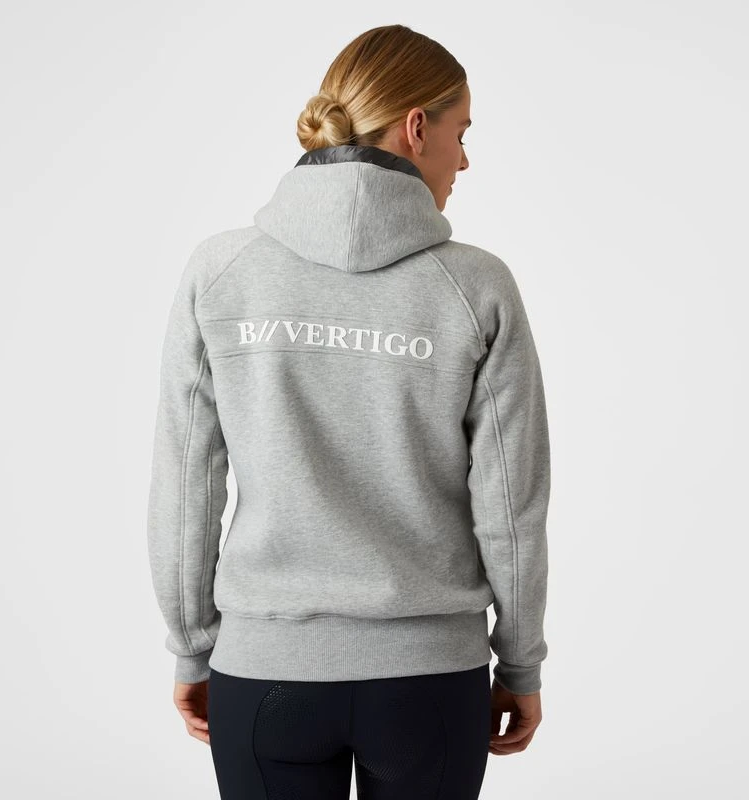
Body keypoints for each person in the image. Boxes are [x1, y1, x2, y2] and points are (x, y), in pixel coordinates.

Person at [146, 23, 551, 799]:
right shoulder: (477, 287)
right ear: (416, 128)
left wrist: (192, 647)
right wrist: (521, 661)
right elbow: (511, 505)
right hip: (431, 681)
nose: (465, 160)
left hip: (264, 675)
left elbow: (186, 484)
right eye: (462, 133)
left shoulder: (222, 273)